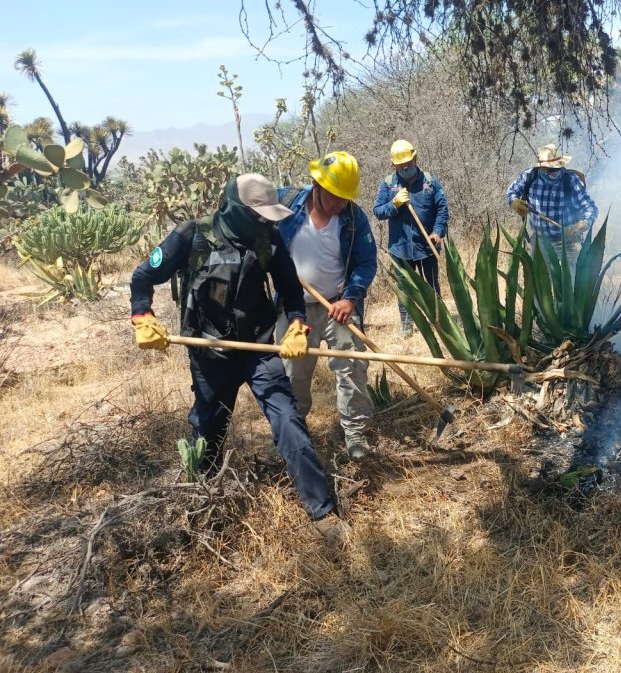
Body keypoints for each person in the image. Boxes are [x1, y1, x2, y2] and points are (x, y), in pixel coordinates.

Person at [129, 173, 349, 546]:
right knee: (207, 430)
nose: (266, 220)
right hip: (209, 350)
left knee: (288, 421)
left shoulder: (267, 238)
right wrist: (142, 316)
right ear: (236, 209)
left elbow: (291, 290)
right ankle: (198, 506)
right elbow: (142, 276)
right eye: (259, 214)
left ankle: (323, 513)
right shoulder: (190, 236)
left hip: (259, 348)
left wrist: (297, 326)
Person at [275, 151, 379, 460]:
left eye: (345, 198)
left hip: (337, 306)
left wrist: (350, 297)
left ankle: (356, 435)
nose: (340, 204)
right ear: (316, 185)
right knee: (292, 373)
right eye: (335, 196)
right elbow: (254, 225)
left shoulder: (352, 219)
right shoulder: (286, 204)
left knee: (352, 366)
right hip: (294, 309)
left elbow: (365, 261)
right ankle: (294, 438)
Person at [372, 139, 450, 335]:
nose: (406, 168)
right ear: (394, 165)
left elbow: (442, 208)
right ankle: (407, 326)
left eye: (408, 163)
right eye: (401, 165)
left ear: (415, 158)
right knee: (404, 288)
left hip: (427, 245)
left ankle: (439, 323)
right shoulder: (389, 185)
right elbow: (378, 211)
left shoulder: (430, 182)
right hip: (400, 248)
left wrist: (438, 231)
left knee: (432, 285)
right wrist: (394, 204)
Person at [506, 144, 598, 254]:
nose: (554, 172)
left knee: (572, 270)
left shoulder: (571, 181)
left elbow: (591, 208)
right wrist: (514, 202)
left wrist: (581, 225)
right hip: (539, 242)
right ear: (540, 167)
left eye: (557, 168)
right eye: (550, 169)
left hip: (568, 243)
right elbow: (512, 191)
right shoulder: (529, 176)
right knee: (538, 271)